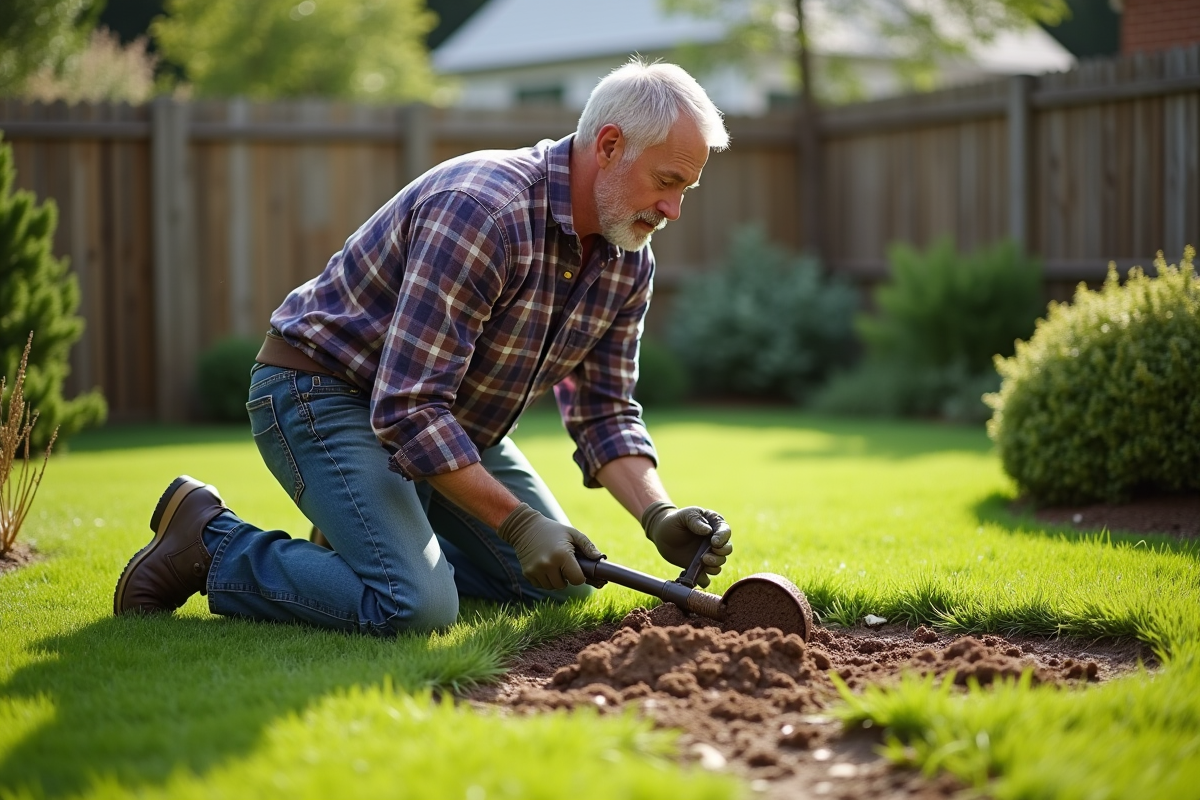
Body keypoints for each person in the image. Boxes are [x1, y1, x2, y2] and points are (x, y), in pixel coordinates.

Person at [113, 59, 735, 635]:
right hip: (323, 394)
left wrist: (658, 515)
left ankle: (361, 548)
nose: (674, 209)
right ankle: (210, 543)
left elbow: (603, 410)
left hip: (451, 429)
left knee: (560, 586)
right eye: (668, 181)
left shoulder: (628, 260)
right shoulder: (485, 210)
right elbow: (408, 408)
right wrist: (517, 522)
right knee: (416, 606)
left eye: (687, 190)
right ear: (609, 146)